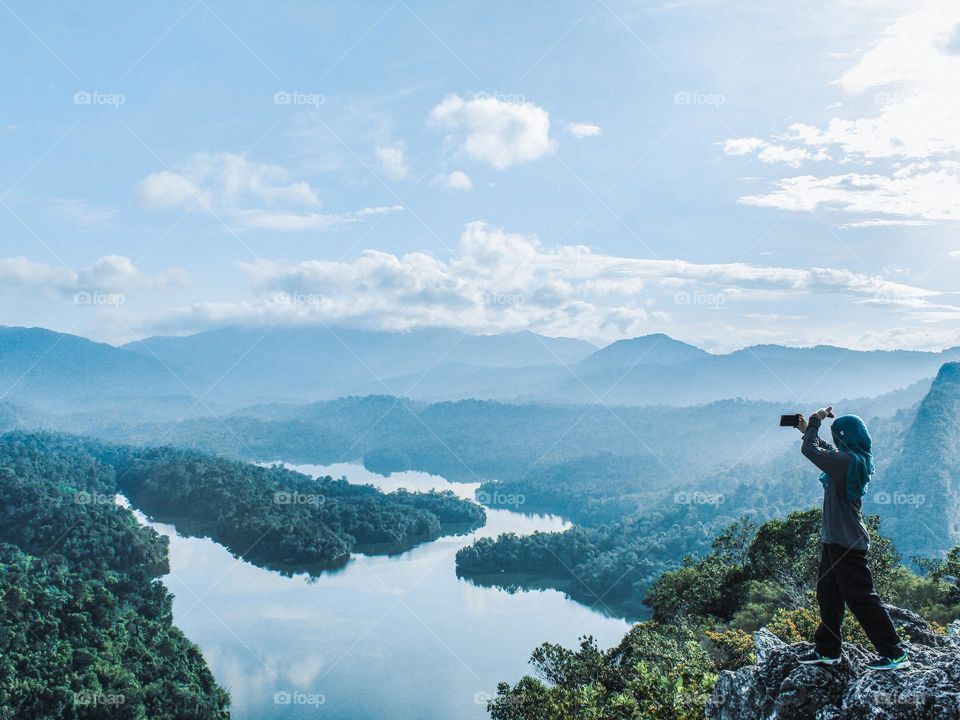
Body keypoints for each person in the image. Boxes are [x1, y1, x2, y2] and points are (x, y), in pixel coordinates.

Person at [794, 406, 909, 671]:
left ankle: (894, 653)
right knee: (828, 596)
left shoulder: (845, 462)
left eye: (837, 436)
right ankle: (828, 650)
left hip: (846, 542)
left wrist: (815, 420)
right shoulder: (855, 457)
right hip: (835, 539)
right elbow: (828, 451)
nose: (835, 441)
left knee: (862, 598)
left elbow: (811, 451)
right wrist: (806, 431)